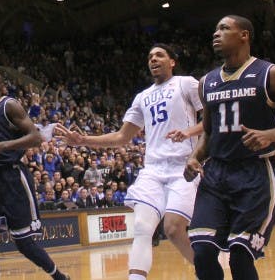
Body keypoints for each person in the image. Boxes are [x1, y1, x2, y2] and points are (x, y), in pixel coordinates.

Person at [56, 44, 202, 279]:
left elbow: (212, 119)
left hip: (182, 166)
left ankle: (207, 270)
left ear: (172, 61)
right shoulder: (142, 97)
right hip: (153, 169)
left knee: (173, 230)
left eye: (159, 55)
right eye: (150, 57)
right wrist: (82, 139)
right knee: (142, 228)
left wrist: (189, 133)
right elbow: (122, 137)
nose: (153, 59)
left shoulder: (186, 83)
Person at [184, 15, 275, 280]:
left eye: (224, 28)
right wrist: (195, 156)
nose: (216, 33)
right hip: (215, 174)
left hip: (255, 174)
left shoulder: (270, 74)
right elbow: (208, 131)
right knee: (202, 253)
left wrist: (270, 134)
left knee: (240, 257)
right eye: (215, 29)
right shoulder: (207, 82)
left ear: (244, 35)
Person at [0, 70, 70, 280]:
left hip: (12, 178)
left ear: (2, 85)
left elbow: (36, 137)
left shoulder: (9, 105)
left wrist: (3, 146)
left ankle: (58, 276)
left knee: (24, 243)